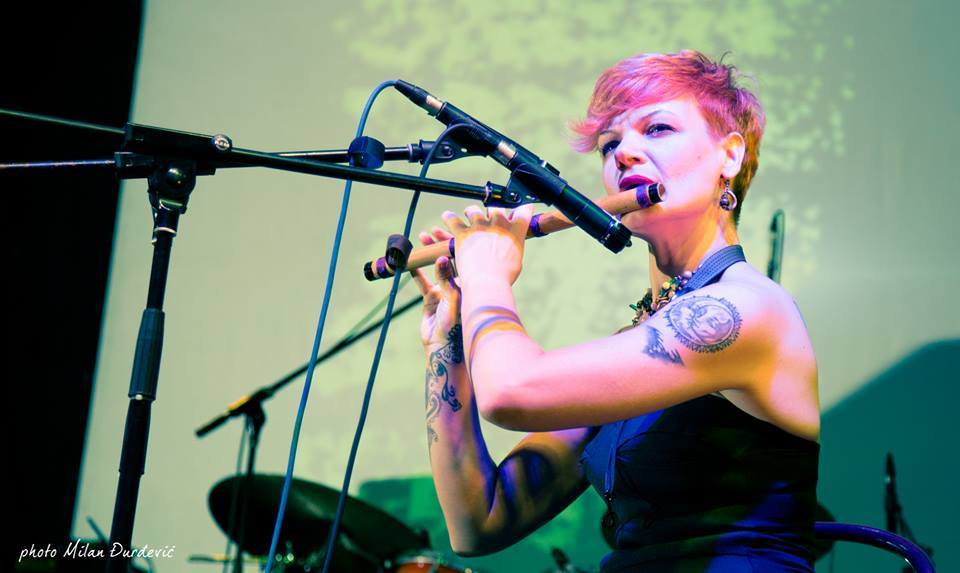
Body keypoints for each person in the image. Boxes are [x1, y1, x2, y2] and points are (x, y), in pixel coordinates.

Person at [410, 50, 820, 573]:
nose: (624, 153)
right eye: (610, 144)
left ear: (730, 156)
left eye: (658, 128)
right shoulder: (640, 337)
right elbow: (479, 521)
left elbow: (510, 392)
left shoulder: (746, 309)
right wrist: (447, 338)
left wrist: (487, 273)